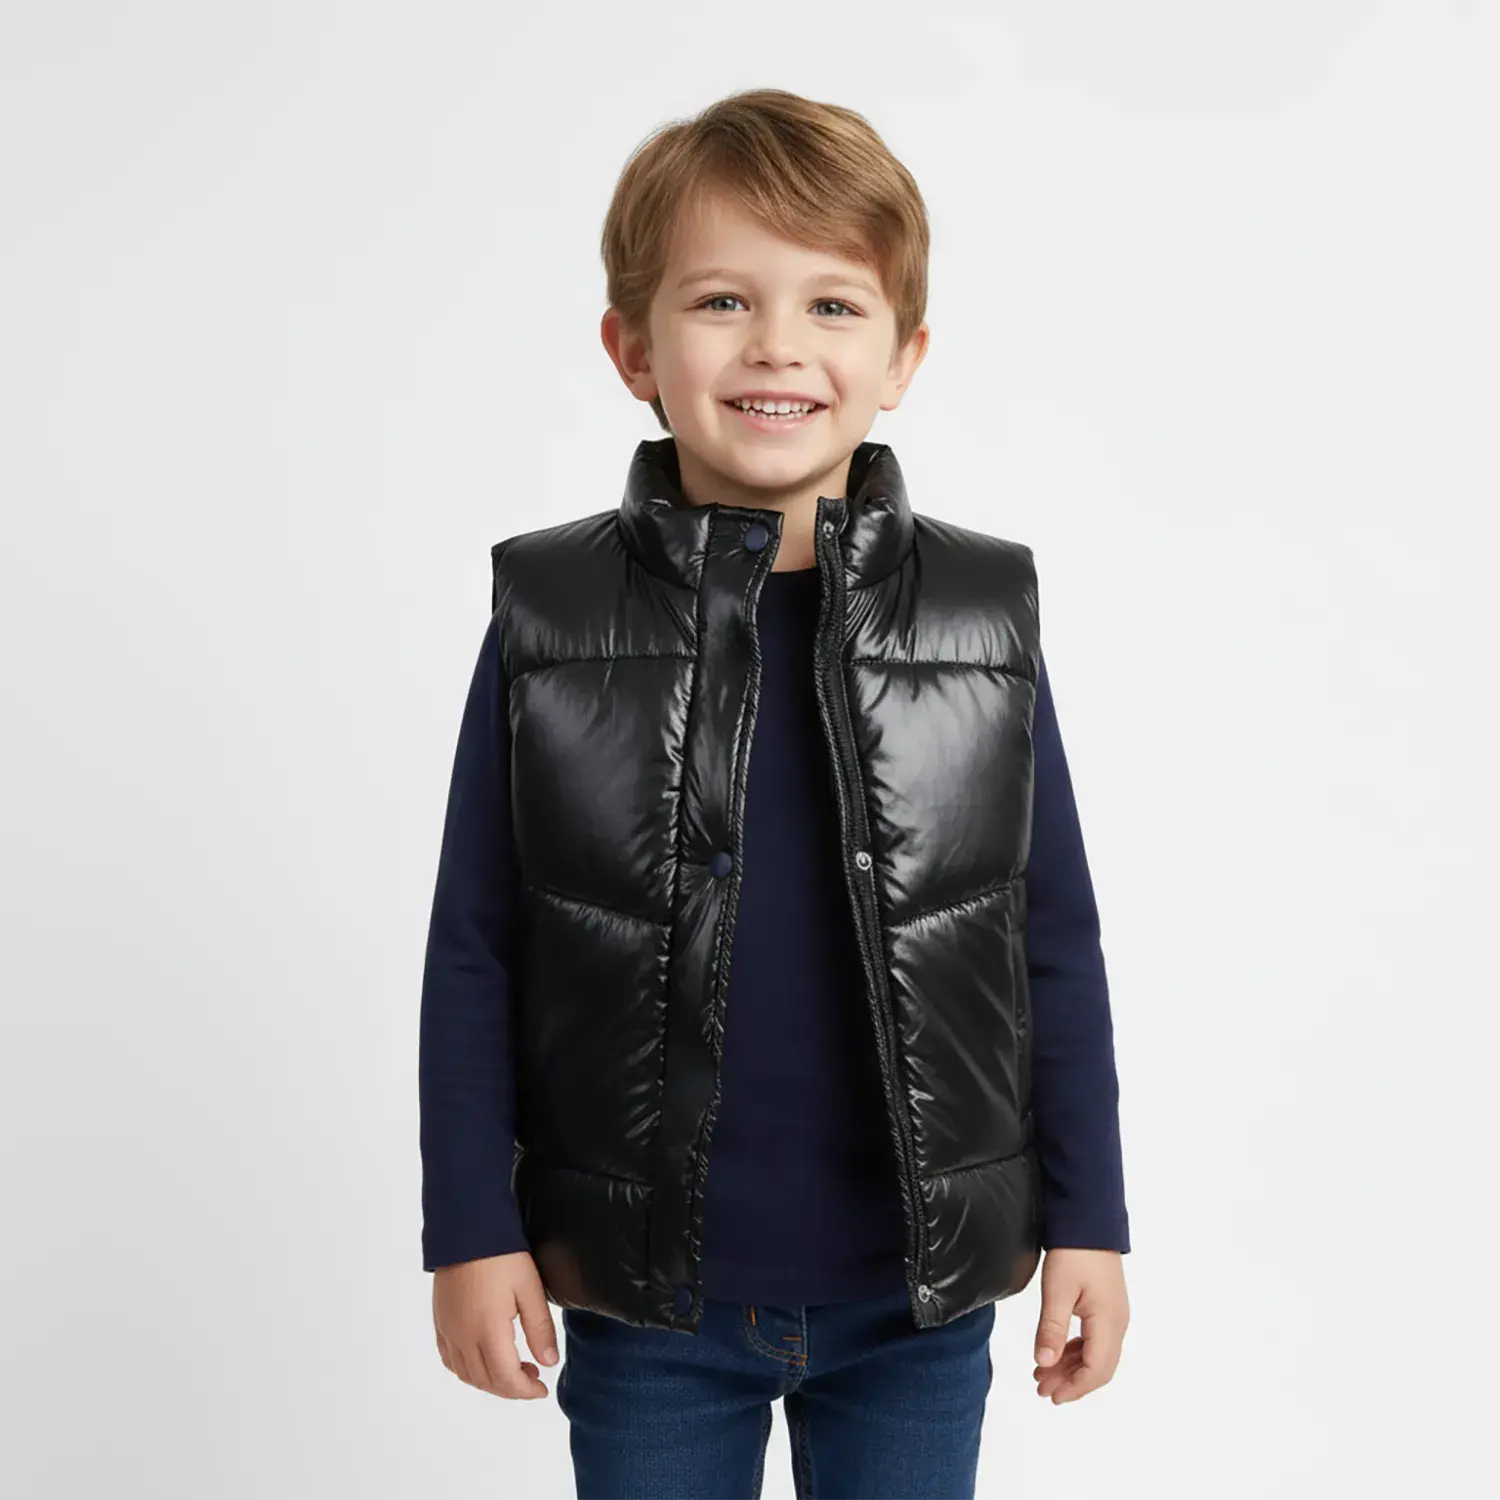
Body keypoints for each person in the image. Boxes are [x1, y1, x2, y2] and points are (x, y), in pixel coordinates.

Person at [418, 87, 1130, 1499]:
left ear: (903, 355)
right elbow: (478, 945)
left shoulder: (980, 618)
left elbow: (1047, 937)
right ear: (632, 348)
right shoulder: (552, 620)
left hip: (914, 1297)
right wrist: (469, 1230)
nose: (777, 347)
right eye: (723, 300)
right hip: (647, 1297)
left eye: (833, 306)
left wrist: (1089, 1221)